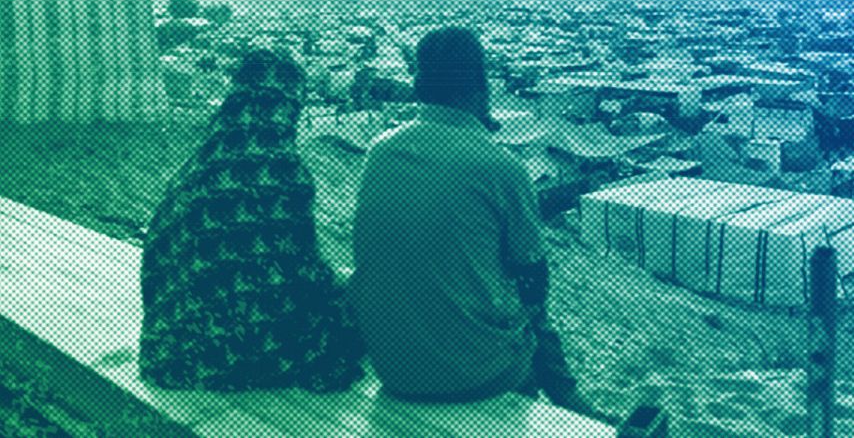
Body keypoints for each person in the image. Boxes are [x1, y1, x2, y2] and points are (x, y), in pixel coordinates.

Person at [350, 27, 592, 413]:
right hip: (472, 378)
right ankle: (569, 401)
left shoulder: (380, 152)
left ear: (421, 85)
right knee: (528, 326)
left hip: (391, 368)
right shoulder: (500, 167)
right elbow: (533, 286)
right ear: (479, 86)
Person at [139, 48, 365, 392]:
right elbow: (302, 271)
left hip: (174, 348)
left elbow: (156, 259)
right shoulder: (286, 174)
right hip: (250, 351)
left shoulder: (199, 166)